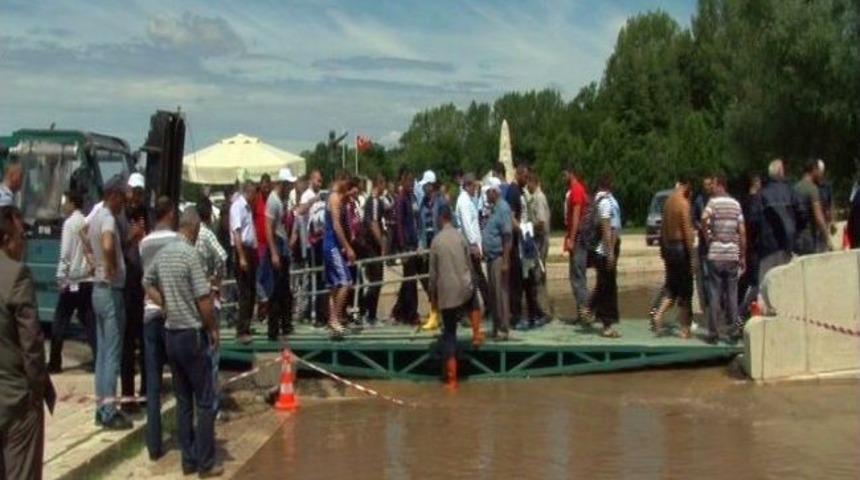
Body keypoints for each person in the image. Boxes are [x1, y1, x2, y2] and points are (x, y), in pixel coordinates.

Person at [143, 207, 222, 478]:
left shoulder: (163, 254)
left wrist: (163, 302)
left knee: (183, 401)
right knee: (204, 400)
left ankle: (187, 461)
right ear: (195, 227)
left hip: (170, 334)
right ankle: (206, 462)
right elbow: (203, 299)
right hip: (192, 334)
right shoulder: (191, 255)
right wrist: (213, 329)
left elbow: (146, 280)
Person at [0, 206, 55, 480]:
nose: (25, 244)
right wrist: (36, 392)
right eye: (22, 236)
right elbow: (31, 342)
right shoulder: (16, 274)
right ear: (7, 239)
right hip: (15, 400)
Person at [88, 176, 132, 429]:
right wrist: (112, 264)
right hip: (110, 289)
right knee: (112, 355)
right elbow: (107, 243)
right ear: (113, 196)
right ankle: (108, 410)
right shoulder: (107, 219)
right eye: (122, 197)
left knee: (102, 354)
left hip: (97, 288)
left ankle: (100, 405)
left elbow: (85, 236)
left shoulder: (94, 216)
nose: (124, 202)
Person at [139, 196, 180, 461]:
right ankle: (185, 435)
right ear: (171, 213)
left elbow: (145, 277)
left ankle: (154, 444)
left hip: (149, 313)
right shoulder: (177, 241)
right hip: (173, 314)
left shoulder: (144, 243)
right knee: (180, 378)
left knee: (152, 383)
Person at [428, 204, 477, 389]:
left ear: (441, 219)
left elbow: (432, 275)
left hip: (447, 294)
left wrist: (433, 297)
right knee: (474, 302)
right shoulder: (461, 237)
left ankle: (452, 380)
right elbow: (470, 266)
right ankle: (477, 334)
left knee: (449, 334)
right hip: (465, 291)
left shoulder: (436, 241)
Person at [50, 190, 96, 372]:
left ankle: (54, 363)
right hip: (87, 279)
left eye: (65, 202)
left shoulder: (69, 224)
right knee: (89, 322)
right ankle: (98, 358)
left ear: (71, 203)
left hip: (72, 280)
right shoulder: (86, 222)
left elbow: (65, 254)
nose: (63, 205)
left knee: (59, 321)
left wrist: (61, 278)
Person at [701, 175, 746, 343]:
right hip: (732, 254)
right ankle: (733, 332)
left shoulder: (712, 203)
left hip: (715, 253)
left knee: (714, 294)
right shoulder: (736, 205)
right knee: (732, 294)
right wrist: (743, 255)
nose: (711, 188)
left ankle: (713, 333)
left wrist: (708, 237)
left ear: (720, 185)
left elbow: (704, 219)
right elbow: (742, 231)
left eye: (713, 184)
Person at [651, 176, 695, 338]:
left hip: (668, 246)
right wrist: (691, 254)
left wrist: (663, 249)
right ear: (687, 185)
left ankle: (658, 314)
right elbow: (687, 230)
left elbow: (662, 228)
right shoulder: (683, 203)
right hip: (680, 248)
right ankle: (685, 329)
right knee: (686, 289)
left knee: (671, 286)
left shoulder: (668, 201)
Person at [121, 172, 149, 414]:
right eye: (134, 192)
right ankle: (127, 395)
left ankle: (146, 392)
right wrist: (130, 238)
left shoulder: (145, 215)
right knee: (128, 344)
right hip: (128, 285)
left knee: (146, 341)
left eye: (140, 194)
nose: (136, 198)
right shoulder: (120, 216)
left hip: (143, 284)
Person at [587, 174, 622, 338]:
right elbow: (608, 229)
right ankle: (607, 326)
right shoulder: (606, 203)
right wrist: (610, 253)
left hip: (602, 250)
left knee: (603, 285)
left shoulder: (599, 201)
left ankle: (589, 310)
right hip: (605, 250)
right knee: (608, 289)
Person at [265, 168, 297, 340]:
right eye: (289, 185)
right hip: (277, 246)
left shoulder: (280, 201)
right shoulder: (273, 201)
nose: (291, 188)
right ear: (283, 184)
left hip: (282, 246)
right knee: (276, 291)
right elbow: (268, 228)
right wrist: (274, 253)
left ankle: (285, 325)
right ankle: (273, 330)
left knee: (285, 289)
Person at [454, 173, 486, 346]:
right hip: (469, 249)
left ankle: (471, 313)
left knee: (475, 281)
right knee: (472, 282)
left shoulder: (468, 200)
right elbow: (467, 225)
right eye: (474, 186)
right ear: (468, 185)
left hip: (473, 247)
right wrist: (474, 246)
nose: (476, 189)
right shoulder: (464, 201)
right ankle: (466, 314)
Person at [323, 174, 356, 336]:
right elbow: (336, 226)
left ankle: (333, 319)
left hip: (331, 245)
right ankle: (334, 318)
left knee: (333, 286)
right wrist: (347, 248)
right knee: (345, 281)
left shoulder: (338, 198)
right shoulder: (335, 198)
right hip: (331, 246)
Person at [481, 178, 513, 341]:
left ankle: (503, 328)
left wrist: (506, 261)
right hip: (491, 257)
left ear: (494, 192)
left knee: (501, 294)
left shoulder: (503, 209)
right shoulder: (494, 209)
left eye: (487, 192)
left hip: (499, 257)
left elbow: (507, 236)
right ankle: (496, 326)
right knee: (494, 294)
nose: (486, 195)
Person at [391, 169, 420, 325]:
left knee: (408, 279)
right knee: (410, 280)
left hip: (413, 243)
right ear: (404, 182)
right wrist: (402, 247)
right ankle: (411, 313)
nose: (412, 185)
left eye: (414, 182)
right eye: (410, 182)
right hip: (406, 245)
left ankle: (398, 310)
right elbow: (399, 224)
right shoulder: (401, 199)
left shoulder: (411, 197)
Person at [417, 171, 446, 331]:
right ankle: (434, 314)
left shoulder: (441, 203)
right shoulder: (423, 203)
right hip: (428, 247)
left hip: (439, 244)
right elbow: (421, 227)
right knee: (431, 281)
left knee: (442, 282)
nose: (424, 188)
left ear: (431, 185)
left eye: (426, 185)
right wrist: (420, 244)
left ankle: (445, 314)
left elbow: (448, 223)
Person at [230, 181, 258, 344]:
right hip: (243, 250)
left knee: (251, 291)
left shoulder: (247, 207)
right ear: (249, 192)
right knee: (245, 292)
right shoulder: (238, 207)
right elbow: (237, 232)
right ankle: (241, 330)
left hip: (250, 250)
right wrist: (241, 256)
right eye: (254, 193)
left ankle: (246, 326)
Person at [564, 165, 590, 322]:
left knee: (578, 276)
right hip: (579, 238)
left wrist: (572, 239)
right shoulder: (577, 189)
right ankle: (582, 313)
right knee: (577, 276)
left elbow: (576, 216)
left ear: (570, 173)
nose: (563, 177)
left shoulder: (576, 190)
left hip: (579, 239)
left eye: (564, 173)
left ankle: (586, 313)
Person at [360, 175, 387, 325]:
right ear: (379, 184)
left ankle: (369, 313)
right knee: (376, 281)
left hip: (372, 247)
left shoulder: (376, 201)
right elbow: (373, 224)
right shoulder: (375, 201)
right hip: (372, 248)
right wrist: (382, 245)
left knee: (375, 281)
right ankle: (367, 313)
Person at [524, 172, 550, 325]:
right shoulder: (537, 197)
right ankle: (543, 309)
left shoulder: (539, 198)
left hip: (540, 241)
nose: (528, 187)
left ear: (533, 182)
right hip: (540, 240)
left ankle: (545, 312)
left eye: (529, 184)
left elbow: (541, 222)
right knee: (539, 275)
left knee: (538, 276)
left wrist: (527, 227)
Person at [794, 159, 832, 255]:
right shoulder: (812, 189)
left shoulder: (795, 188)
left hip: (798, 237)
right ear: (814, 170)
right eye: (819, 170)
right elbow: (819, 217)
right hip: (809, 237)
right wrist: (827, 238)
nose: (820, 173)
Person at [738, 174, 762, 320]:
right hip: (754, 247)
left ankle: (740, 313)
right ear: (756, 183)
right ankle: (741, 316)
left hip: (747, 247)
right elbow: (753, 225)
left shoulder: (743, 201)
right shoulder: (755, 202)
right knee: (754, 282)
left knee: (746, 280)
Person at [693, 175, 715, 318]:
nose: (707, 187)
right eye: (705, 184)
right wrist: (699, 225)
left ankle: (717, 303)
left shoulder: (716, 201)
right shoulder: (699, 201)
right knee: (706, 274)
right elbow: (693, 218)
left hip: (716, 241)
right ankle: (708, 303)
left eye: (709, 184)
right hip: (703, 243)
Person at [253, 174, 273, 320]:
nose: (266, 187)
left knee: (267, 278)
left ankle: (264, 311)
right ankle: (263, 302)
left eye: (268, 185)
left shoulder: (271, 200)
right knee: (257, 278)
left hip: (269, 244)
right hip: (258, 244)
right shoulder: (256, 199)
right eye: (264, 185)